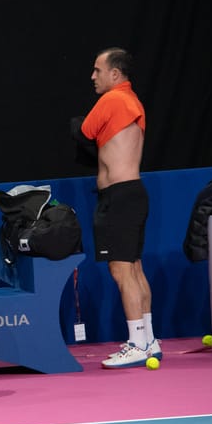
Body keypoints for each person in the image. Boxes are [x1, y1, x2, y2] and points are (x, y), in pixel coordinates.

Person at [80, 47, 161, 369]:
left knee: (121, 269)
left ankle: (137, 343)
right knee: (135, 268)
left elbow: (86, 130)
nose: (93, 76)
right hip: (132, 194)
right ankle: (149, 339)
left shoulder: (113, 99)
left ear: (115, 74)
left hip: (120, 197)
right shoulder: (132, 100)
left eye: (98, 70)